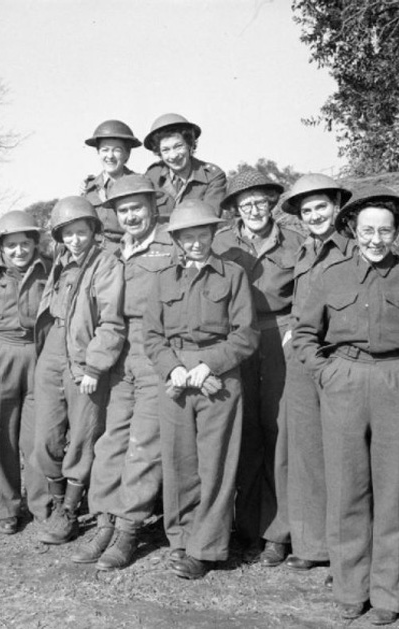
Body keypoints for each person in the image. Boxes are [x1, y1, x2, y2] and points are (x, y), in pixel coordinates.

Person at [292, 186, 399, 625]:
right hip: (344, 381)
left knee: (398, 492)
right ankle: (351, 590)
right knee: (347, 488)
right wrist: (326, 373)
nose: (375, 239)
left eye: (385, 230)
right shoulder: (330, 276)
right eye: (367, 230)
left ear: (397, 231)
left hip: (397, 383)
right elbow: (306, 335)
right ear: (352, 228)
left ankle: (393, 595)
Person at [144, 199, 259, 580]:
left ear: (213, 234)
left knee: (216, 465)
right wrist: (174, 368)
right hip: (177, 383)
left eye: (202, 235)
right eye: (188, 237)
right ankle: (180, 538)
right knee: (180, 463)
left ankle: (206, 548)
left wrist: (208, 365)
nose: (196, 243)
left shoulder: (232, 275)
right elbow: (152, 337)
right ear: (176, 239)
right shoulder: (161, 279)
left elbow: (246, 335)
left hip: (218, 382)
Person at [71, 174, 175, 570]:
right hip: (118, 354)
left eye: (138, 208)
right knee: (111, 441)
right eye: (123, 210)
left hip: (156, 352)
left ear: (152, 207)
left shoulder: (172, 245)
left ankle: (129, 530)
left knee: (145, 445)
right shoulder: (112, 252)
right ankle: (104, 522)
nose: (131, 216)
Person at [212, 170, 304, 566]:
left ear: (271, 202)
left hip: (280, 337)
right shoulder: (220, 243)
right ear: (234, 208)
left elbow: (309, 293)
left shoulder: (295, 243)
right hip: (236, 342)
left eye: (260, 201)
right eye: (244, 203)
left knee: (279, 434)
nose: (253, 209)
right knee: (245, 434)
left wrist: (296, 329)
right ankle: (248, 529)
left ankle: (278, 534)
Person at [31, 196, 125, 545]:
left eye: (81, 232)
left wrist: (95, 366)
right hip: (52, 350)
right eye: (67, 234)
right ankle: (56, 502)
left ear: (93, 231)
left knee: (84, 435)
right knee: (45, 437)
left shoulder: (106, 264)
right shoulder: (60, 262)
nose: (75, 240)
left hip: (85, 354)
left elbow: (112, 322)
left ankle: (69, 509)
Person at [278, 174, 353, 581]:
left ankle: (346, 552)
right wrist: (292, 330)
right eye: (306, 211)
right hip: (303, 361)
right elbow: (301, 302)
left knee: (343, 453)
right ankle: (312, 545)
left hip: (340, 358)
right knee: (305, 451)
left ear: (337, 204)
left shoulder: (357, 247)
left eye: (321, 206)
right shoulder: (304, 251)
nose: (314, 216)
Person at [0, 211, 52, 535]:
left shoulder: (50, 268)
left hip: (39, 354)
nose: (19, 251)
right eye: (12, 245)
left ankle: (43, 503)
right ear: (0, 246)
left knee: (39, 435)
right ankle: (3, 507)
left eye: (25, 243)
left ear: (35, 243)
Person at [144, 113, 226, 221]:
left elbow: (209, 219)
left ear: (189, 145)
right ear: (159, 153)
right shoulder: (152, 176)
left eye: (178, 146)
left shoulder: (212, 176)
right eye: (166, 150)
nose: (173, 156)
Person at [82, 119, 142, 245]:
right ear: (98, 153)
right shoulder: (89, 188)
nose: (110, 156)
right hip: (97, 255)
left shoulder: (140, 184)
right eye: (105, 150)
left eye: (117, 150)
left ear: (127, 154)